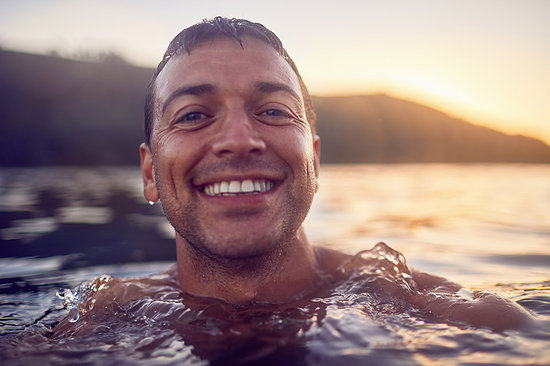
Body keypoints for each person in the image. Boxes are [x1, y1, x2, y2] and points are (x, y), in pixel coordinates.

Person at [54, 16, 533, 337]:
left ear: (315, 161)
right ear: (150, 172)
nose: (239, 139)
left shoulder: (457, 317)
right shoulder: (99, 320)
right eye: (194, 115)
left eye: (274, 110)